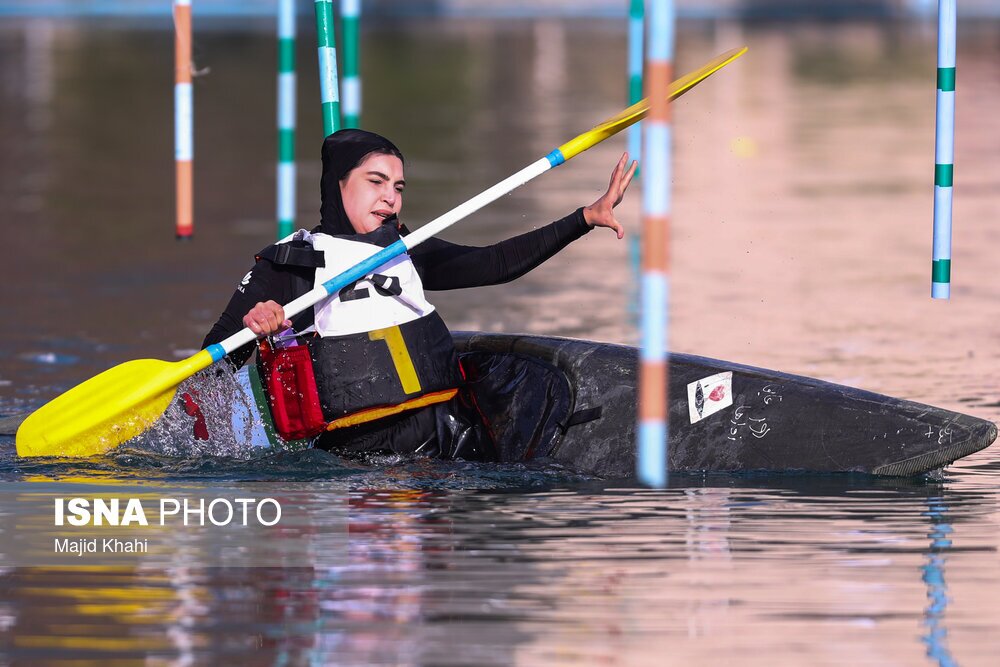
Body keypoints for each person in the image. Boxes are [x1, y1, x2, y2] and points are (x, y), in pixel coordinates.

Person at [203, 129, 636, 461]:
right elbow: (214, 363)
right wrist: (259, 326)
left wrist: (584, 218)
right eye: (376, 182)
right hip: (360, 459)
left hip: (453, 438)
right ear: (338, 184)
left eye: (398, 187)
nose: (390, 198)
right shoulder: (291, 262)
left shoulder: (405, 248)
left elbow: (495, 264)